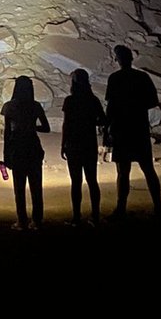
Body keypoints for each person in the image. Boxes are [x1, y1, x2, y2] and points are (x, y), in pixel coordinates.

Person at [104, 45, 161, 219]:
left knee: (123, 172)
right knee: (148, 169)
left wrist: (107, 131)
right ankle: (158, 208)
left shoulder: (115, 78)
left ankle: (121, 209)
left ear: (118, 60)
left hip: (122, 129)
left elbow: (111, 106)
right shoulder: (142, 77)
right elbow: (151, 102)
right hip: (139, 128)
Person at [0, 76, 50, 230]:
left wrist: (6, 155)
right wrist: (31, 127)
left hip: (17, 147)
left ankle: (21, 220)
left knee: (19, 187)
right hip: (33, 146)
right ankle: (37, 220)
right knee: (36, 186)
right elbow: (46, 128)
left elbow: (7, 132)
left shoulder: (9, 106)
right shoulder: (35, 106)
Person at [61, 68, 105, 227]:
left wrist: (63, 144)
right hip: (89, 142)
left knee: (76, 181)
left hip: (73, 143)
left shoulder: (70, 101)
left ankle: (76, 217)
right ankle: (95, 215)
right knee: (92, 180)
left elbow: (66, 124)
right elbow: (102, 120)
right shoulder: (93, 100)